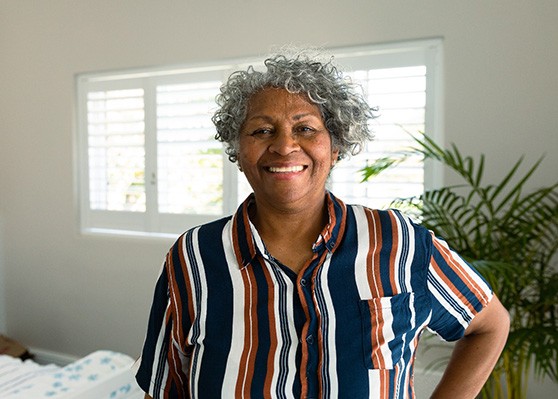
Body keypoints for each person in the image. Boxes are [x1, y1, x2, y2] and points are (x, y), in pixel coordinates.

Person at [135, 51, 510, 399]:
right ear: (238, 150)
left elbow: (489, 325)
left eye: (306, 128)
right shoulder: (194, 255)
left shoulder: (399, 242)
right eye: (262, 130)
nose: (284, 146)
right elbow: (165, 382)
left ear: (335, 146)